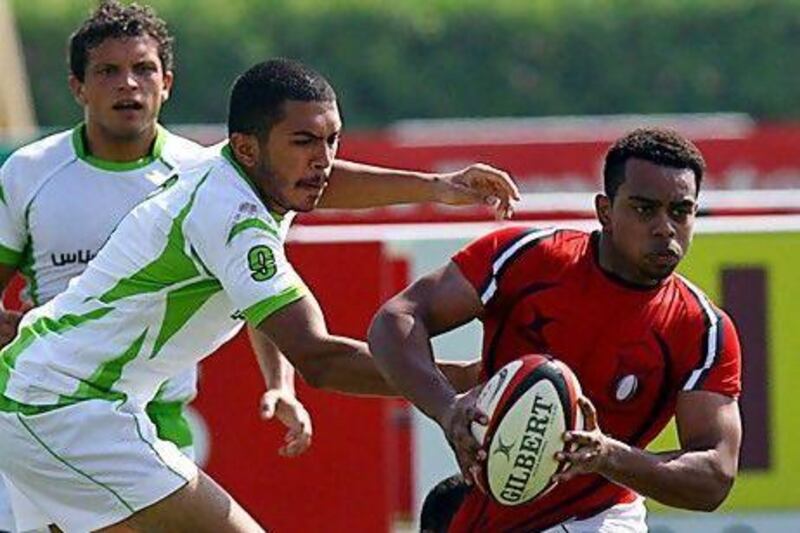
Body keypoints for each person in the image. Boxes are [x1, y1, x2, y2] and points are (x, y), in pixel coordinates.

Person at [0, 56, 515, 532]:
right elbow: (320, 359)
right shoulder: (234, 220)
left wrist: (437, 186)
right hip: (65, 405)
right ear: (248, 147)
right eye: (303, 142)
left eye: (331, 139)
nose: (323, 160)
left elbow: (322, 182)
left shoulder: (239, 169)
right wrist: (461, 382)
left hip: (40, 391)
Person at [369, 127, 743, 532]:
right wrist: (446, 408)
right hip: (488, 506)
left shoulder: (703, 329)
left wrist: (607, 455)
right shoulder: (528, 259)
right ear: (605, 211)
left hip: (598, 518)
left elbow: (715, 475)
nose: (664, 227)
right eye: (643, 208)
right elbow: (397, 320)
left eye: (680, 211)